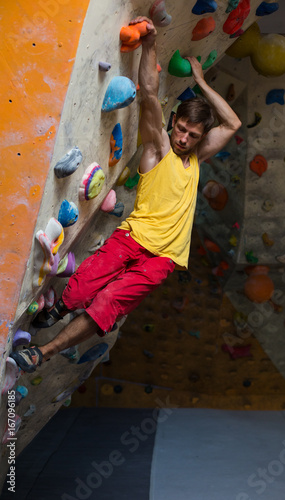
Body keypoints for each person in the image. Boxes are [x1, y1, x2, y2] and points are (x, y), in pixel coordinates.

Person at [10, 16, 241, 373]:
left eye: (192, 136)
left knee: (107, 304)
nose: (183, 139)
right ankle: (59, 309)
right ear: (174, 122)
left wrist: (201, 81)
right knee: (80, 290)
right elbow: (148, 93)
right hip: (132, 238)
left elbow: (232, 124)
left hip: (163, 259)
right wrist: (150, 44)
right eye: (180, 129)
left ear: (199, 138)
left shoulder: (195, 160)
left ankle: (44, 352)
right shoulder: (159, 149)